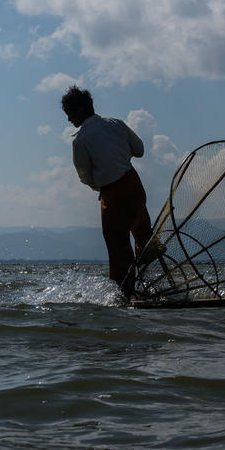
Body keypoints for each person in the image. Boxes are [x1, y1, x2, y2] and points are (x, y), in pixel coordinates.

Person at [63, 85, 153, 295]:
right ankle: (149, 281)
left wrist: (101, 184)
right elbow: (139, 150)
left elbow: (84, 176)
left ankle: (125, 295)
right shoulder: (116, 124)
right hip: (134, 185)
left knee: (118, 248)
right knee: (143, 235)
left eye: (70, 114)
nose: (69, 120)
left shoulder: (81, 140)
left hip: (113, 194)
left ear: (81, 110)